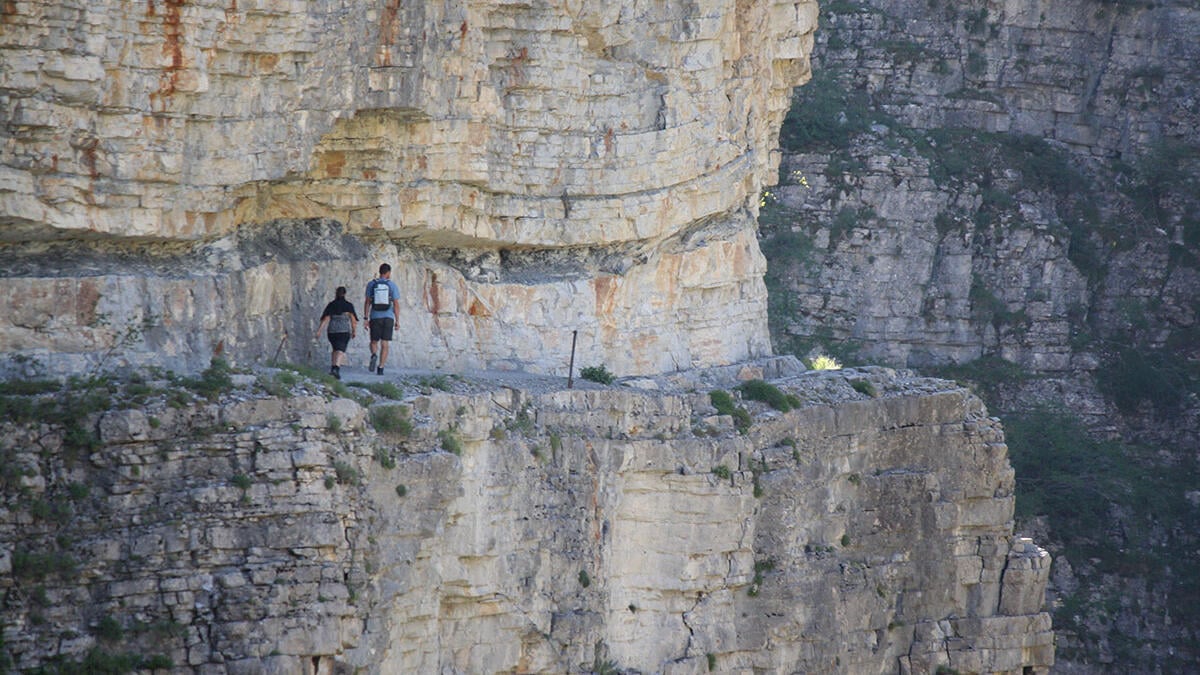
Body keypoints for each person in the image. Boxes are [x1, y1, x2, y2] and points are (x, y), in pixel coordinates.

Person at [364, 263, 401, 376]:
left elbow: (367, 302)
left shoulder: (371, 284)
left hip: (375, 316)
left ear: (380, 272)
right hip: (388, 317)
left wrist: (366, 318)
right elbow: (396, 304)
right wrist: (397, 321)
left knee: (374, 341)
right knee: (385, 343)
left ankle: (374, 354)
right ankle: (381, 367)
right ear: (388, 273)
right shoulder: (392, 285)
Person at [315, 286, 358, 380]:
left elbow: (326, 319)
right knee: (340, 350)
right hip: (344, 331)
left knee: (335, 349)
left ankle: (333, 367)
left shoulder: (331, 305)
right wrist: (354, 331)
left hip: (332, 331)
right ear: (345, 294)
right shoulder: (348, 305)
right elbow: (353, 320)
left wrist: (319, 331)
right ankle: (336, 369)